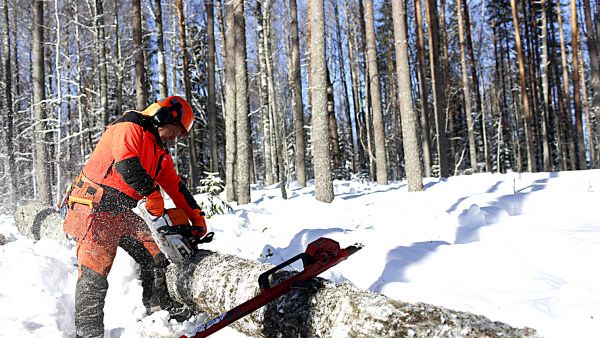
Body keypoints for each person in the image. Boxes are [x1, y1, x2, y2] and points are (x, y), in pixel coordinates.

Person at [61, 96, 207, 338]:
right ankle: (88, 334)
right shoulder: (130, 126)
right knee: (95, 273)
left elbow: (178, 189)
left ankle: (158, 310)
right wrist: (152, 194)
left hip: (119, 212)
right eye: (176, 130)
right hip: (92, 206)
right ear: (165, 117)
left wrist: (197, 217)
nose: (175, 138)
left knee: (156, 253)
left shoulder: (160, 154)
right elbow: (126, 165)